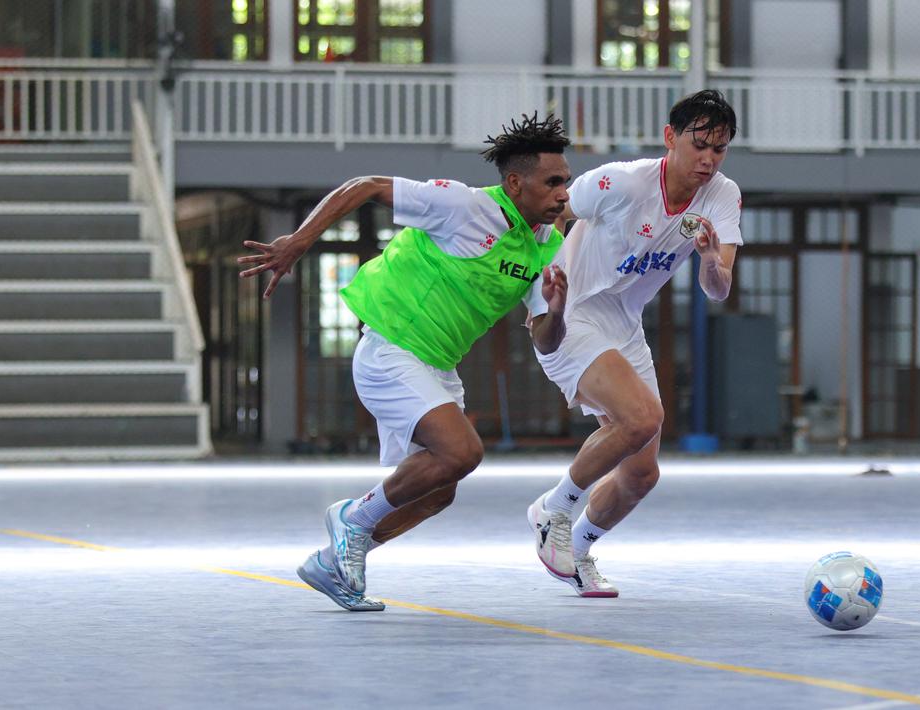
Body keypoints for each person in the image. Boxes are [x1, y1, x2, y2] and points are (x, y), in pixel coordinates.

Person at [238, 114, 572, 610]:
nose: (564, 193)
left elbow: (545, 341)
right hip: (391, 349)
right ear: (515, 183)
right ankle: (353, 517)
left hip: (437, 365)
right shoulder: (464, 206)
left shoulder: (546, 247)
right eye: (553, 183)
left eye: (565, 182)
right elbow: (366, 185)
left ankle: (339, 557)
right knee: (463, 453)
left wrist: (558, 308)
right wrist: (300, 241)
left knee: (437, 492)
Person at [524, 90, 743, 596]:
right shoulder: (619, 181)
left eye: (721, 148)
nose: (709, 158)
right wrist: (541, 290)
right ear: (670, 138)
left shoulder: (723, 196)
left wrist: (710, 258)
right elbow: (550, 209)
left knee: (642, 475)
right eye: (700, 144)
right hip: (572, 312)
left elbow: (719, 288)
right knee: (642, 417)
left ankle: (576, 550)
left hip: (625, 324)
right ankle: (551, 511)